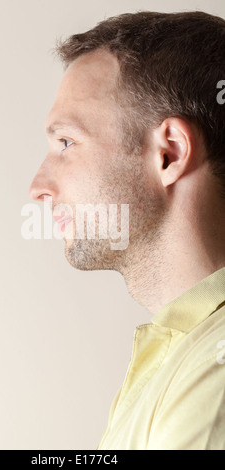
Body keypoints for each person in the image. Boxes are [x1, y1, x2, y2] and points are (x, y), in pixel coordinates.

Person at [29, 11, 225, 450]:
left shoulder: (214, 380)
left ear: (169, 154)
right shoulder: (181, 354)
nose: (38, 188)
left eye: (66, 143)